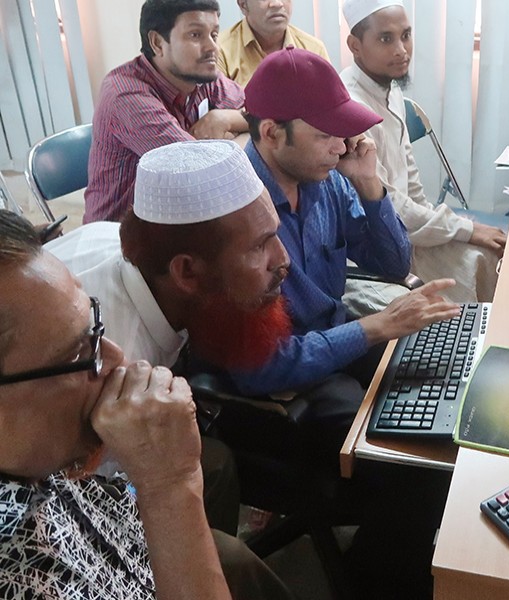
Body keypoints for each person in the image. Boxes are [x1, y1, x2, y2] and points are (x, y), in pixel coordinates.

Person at [0, 210, 292, 600]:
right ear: (186, 271)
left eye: (94, 325)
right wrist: (169, 486)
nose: (117, 358)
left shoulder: (31, 458)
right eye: (76, 354)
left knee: (232, 556)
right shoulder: (23, 572)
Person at [47, 139, 292, 536]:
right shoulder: (106, 363)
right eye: (258, 247)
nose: (283, 260)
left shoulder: (117, 244)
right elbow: (75, 504)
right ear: (187, 272)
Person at [234, 47, 460, 422]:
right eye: (325, 134)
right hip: (285, 375)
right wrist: (373, 326)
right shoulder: (236, 213)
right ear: (272, 133)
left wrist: (369, 183)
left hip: (334, 337)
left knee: (439, 366)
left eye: (341, 133)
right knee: (368, 421)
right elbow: (262, 365)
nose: (341, 147)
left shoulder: (329, 181)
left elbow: (394, 265)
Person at [340, 0, 507, 308]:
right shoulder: (352, 107)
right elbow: (389, 204)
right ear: (355, 45)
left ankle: (486, 331)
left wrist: (454, 228)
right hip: (378, 250)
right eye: (386, 39)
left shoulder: (390, 89)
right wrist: (466, 229)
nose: (401, 50)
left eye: (406, 35)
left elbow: (413, 188)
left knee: (492, 254)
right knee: (479, 257)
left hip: (410, 232)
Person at [84, 0, 247, 223]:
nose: (213, 48)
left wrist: (225, 118)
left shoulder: (202, 76)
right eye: (195, 35)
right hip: (120, 235)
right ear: (158, 43)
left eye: (214, 35)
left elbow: (265, 114)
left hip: (180, 219)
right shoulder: (125, 95)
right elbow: (200, 174)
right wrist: (239, 139)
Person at [217, 0, 329, 86]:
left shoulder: (314, 49)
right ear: (243, 5)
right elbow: (220, 106)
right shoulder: (219, 50)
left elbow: (330, 104)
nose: (277, 3)